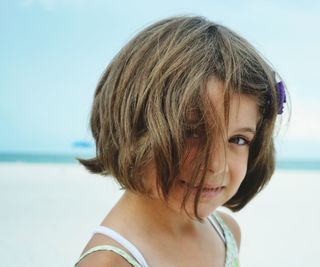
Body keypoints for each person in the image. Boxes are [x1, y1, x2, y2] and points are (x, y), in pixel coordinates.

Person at [75, 15, 287, 267]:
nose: (216, 165)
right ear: (132, 126)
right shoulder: (109, 262)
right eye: (192, 133)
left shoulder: (225, 232)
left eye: (238, 139)